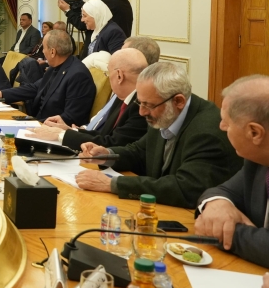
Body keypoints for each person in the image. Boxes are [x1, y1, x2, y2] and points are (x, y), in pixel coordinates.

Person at [76, 62, 241, 208]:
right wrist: (106, 155)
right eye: (140, 103)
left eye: (148, 105)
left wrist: (112, 184)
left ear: (178, 101)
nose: (141, 112)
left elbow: (185, 188)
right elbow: (140, 151)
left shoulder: (207, 132)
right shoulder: (165, 111)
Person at [194, 75, 269, 267]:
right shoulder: (257, 161)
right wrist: (217, 204)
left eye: (227, 122)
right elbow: (222, 191)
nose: (221, 127)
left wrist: (225, 232)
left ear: (255, 132)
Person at [28, 48, 149, 150]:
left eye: (108, 73)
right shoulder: (123, 97)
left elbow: (113, 144)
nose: (108, 78)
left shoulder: (142, 106)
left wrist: (62, 135)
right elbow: (103, 135)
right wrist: (70, 131)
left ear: (119, 76)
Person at [0, 30, 96, 126]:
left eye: (44, 48)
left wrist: (31, 124)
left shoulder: (78, 76)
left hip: (50, 131)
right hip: (38, 122)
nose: (42, 52)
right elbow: (34, 88)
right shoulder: (56, 67)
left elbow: (71, 118)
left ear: (52, 52)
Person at [59, 0, 133, 38]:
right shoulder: (122, 1)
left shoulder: (104, 2)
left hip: (104, 48)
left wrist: (67, 10)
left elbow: (81, 25)